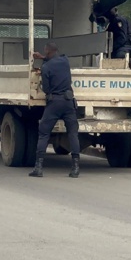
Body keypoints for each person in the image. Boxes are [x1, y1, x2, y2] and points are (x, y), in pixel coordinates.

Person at [29, 42, 80, 178]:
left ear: (47, 51)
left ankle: (38, 168)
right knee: (73, 134)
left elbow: (46, 88)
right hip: (69, 102)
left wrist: (42, 60)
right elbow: (54, 60)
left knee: (44, 133)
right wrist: (43, 57)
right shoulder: (65, 61)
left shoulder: (46, 67)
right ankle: (75, 168)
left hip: (54, 103)